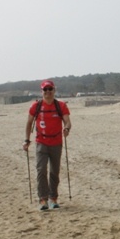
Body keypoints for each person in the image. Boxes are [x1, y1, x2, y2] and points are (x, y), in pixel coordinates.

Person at [22, 80, 71, 211]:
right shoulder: (36, 106)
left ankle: (53, 198)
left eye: (50, 89)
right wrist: (26, 140)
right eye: (45, 89)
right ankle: (43, 199)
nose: (48, 92)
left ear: (54, 90)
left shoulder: (61, 106)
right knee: (41, 170)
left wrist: (66, 129)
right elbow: (29, 123)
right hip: (41, 142)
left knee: (54, 172)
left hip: (56, 143)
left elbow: (67, 121)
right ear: (41, 91)